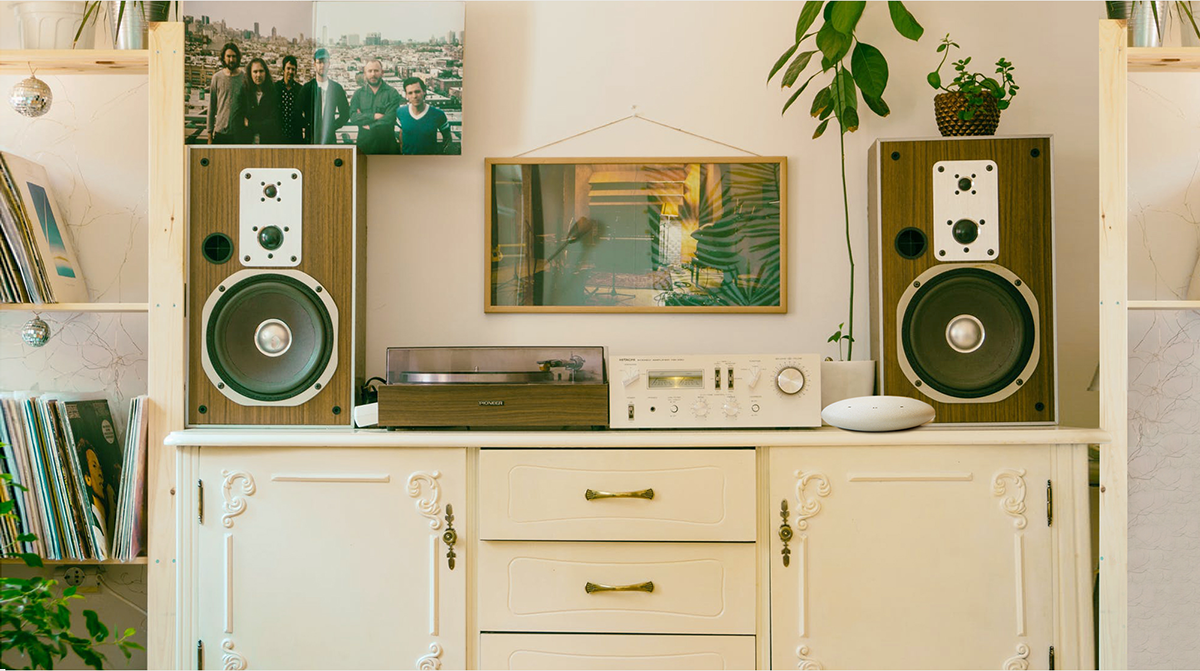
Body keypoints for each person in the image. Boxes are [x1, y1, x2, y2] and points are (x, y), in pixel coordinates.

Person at [347, 59, 401, 154]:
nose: (373, 74)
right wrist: (374, 116)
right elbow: (353, 117)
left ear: (382, 72)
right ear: (365, 74)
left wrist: (370, 126)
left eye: (376, 71)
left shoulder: (392, 93)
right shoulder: (358, 94)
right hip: (364, 146)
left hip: (387, 146)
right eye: (370, 71)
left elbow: (390, 118)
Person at [299, 48, 349, 145]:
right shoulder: (307, 88)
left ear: (329, 64)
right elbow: (297, 112)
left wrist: (333, 126)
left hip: (329, 139)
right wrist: (308, 125)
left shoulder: (336, 88)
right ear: (314, 64)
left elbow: (345, 113)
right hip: (310, 139)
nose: (322, 65)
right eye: (319, 62)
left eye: (325, 62)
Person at [396, 76, 452, 155]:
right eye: (410, 93)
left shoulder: (438, 114)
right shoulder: (401, 112)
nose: (414, 96)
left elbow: (448, 138)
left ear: (424, 91)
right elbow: (402, 133)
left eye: (417, 91)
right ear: (406, 95)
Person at [207, 42, 248, 144]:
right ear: (223, 58)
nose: (231, 59)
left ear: (238, 58)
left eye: (234, 56)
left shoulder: (244, 78)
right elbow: (212, 107)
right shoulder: (217, 78)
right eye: (228, 56)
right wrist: (209, 135)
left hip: (239, 133)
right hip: (220, 132)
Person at [243, 58, 278, 144]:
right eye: (255, 72)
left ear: (266, 73)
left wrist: (250, 124)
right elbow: (239, 120)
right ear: (250, 74)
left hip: (267, 141)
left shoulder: (273, 93)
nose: (258, 75)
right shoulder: (244, 93)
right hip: (247, 141)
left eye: (261, 71)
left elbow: (273, 123)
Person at [275, 55, 304, 144]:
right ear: (283, 69)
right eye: (288, 68)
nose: (290, 72)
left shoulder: (300, 90)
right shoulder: (275, 88)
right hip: (278, 137)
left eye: (293, 69)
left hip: (295, 138)